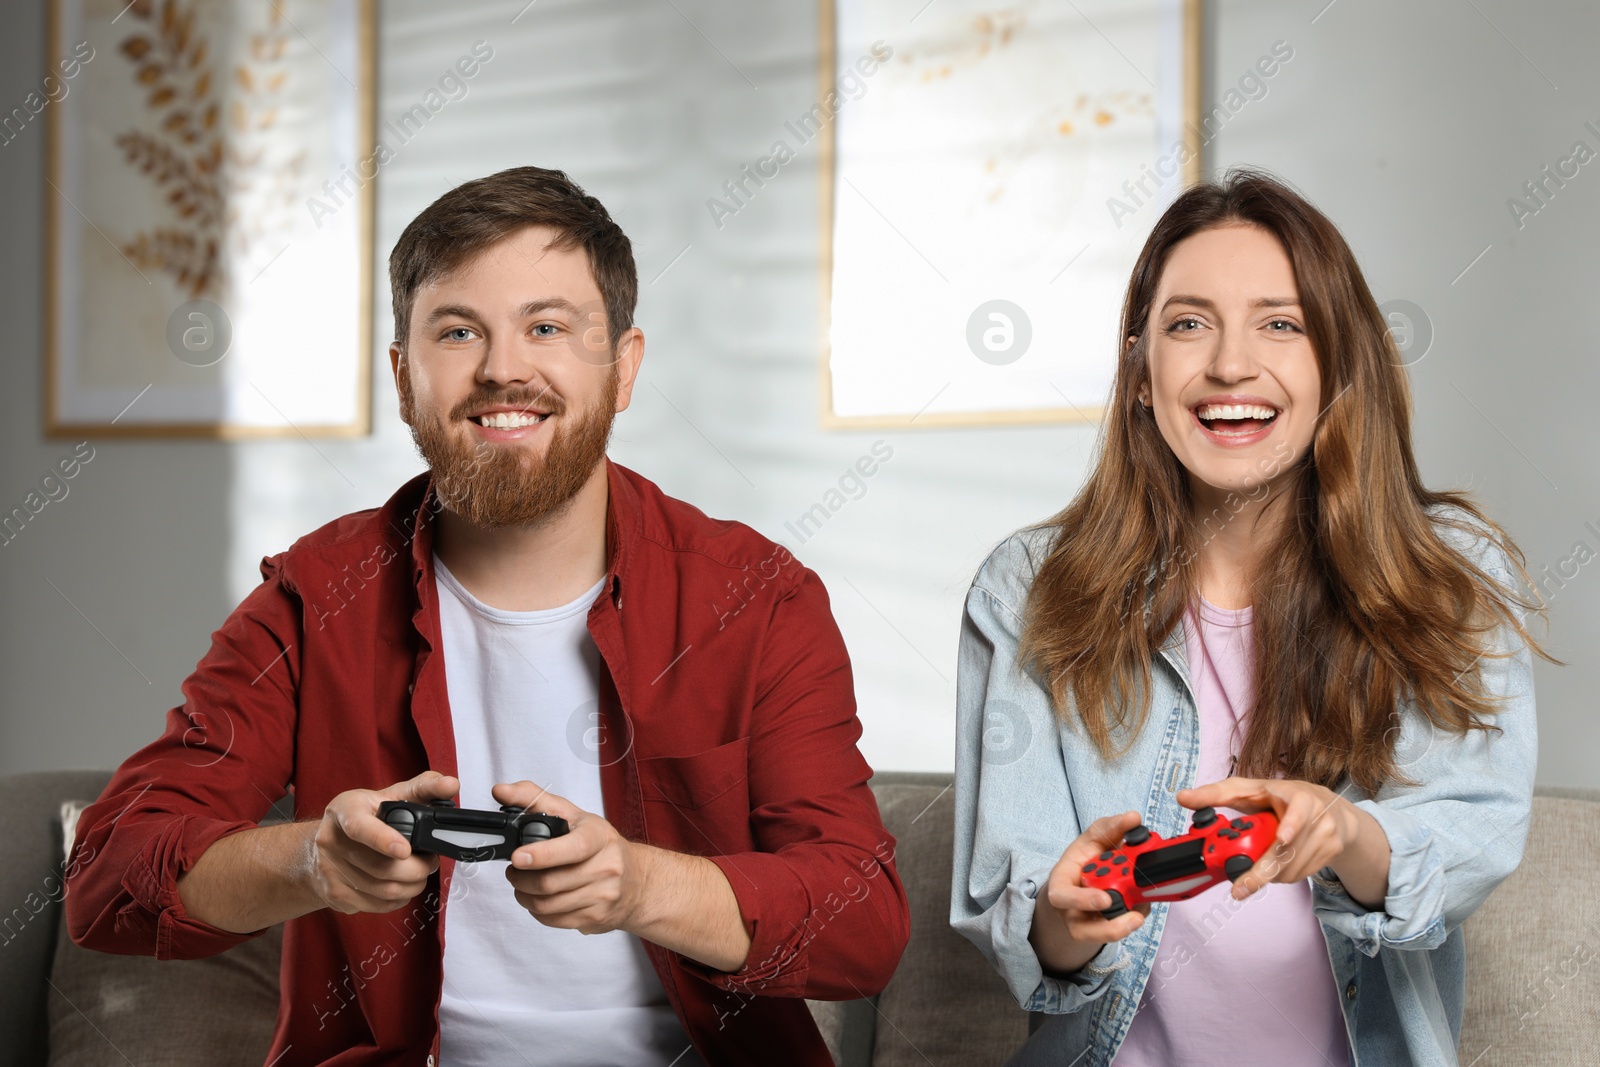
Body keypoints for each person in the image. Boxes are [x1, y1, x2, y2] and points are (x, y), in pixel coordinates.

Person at [65, 165, 909, 1066]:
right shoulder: (317, 596)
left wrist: (641, 884)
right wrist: (315, 861)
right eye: (459, 330)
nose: (504, 368)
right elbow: (109, 877)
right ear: (402, 376)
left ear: (623, 369)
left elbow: (863, 922)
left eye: (547, 326)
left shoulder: (757, 598)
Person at [951, 168, 1550, 1067]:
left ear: (1339, 365)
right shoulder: (1030, 590)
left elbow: (1472, 834)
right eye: (1188, 324)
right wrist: (1064, 915)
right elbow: (1030, 932)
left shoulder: (1449, 574)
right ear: (1141, 374)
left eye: (1281, 323)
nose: (1230, 364)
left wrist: (1342, 832)